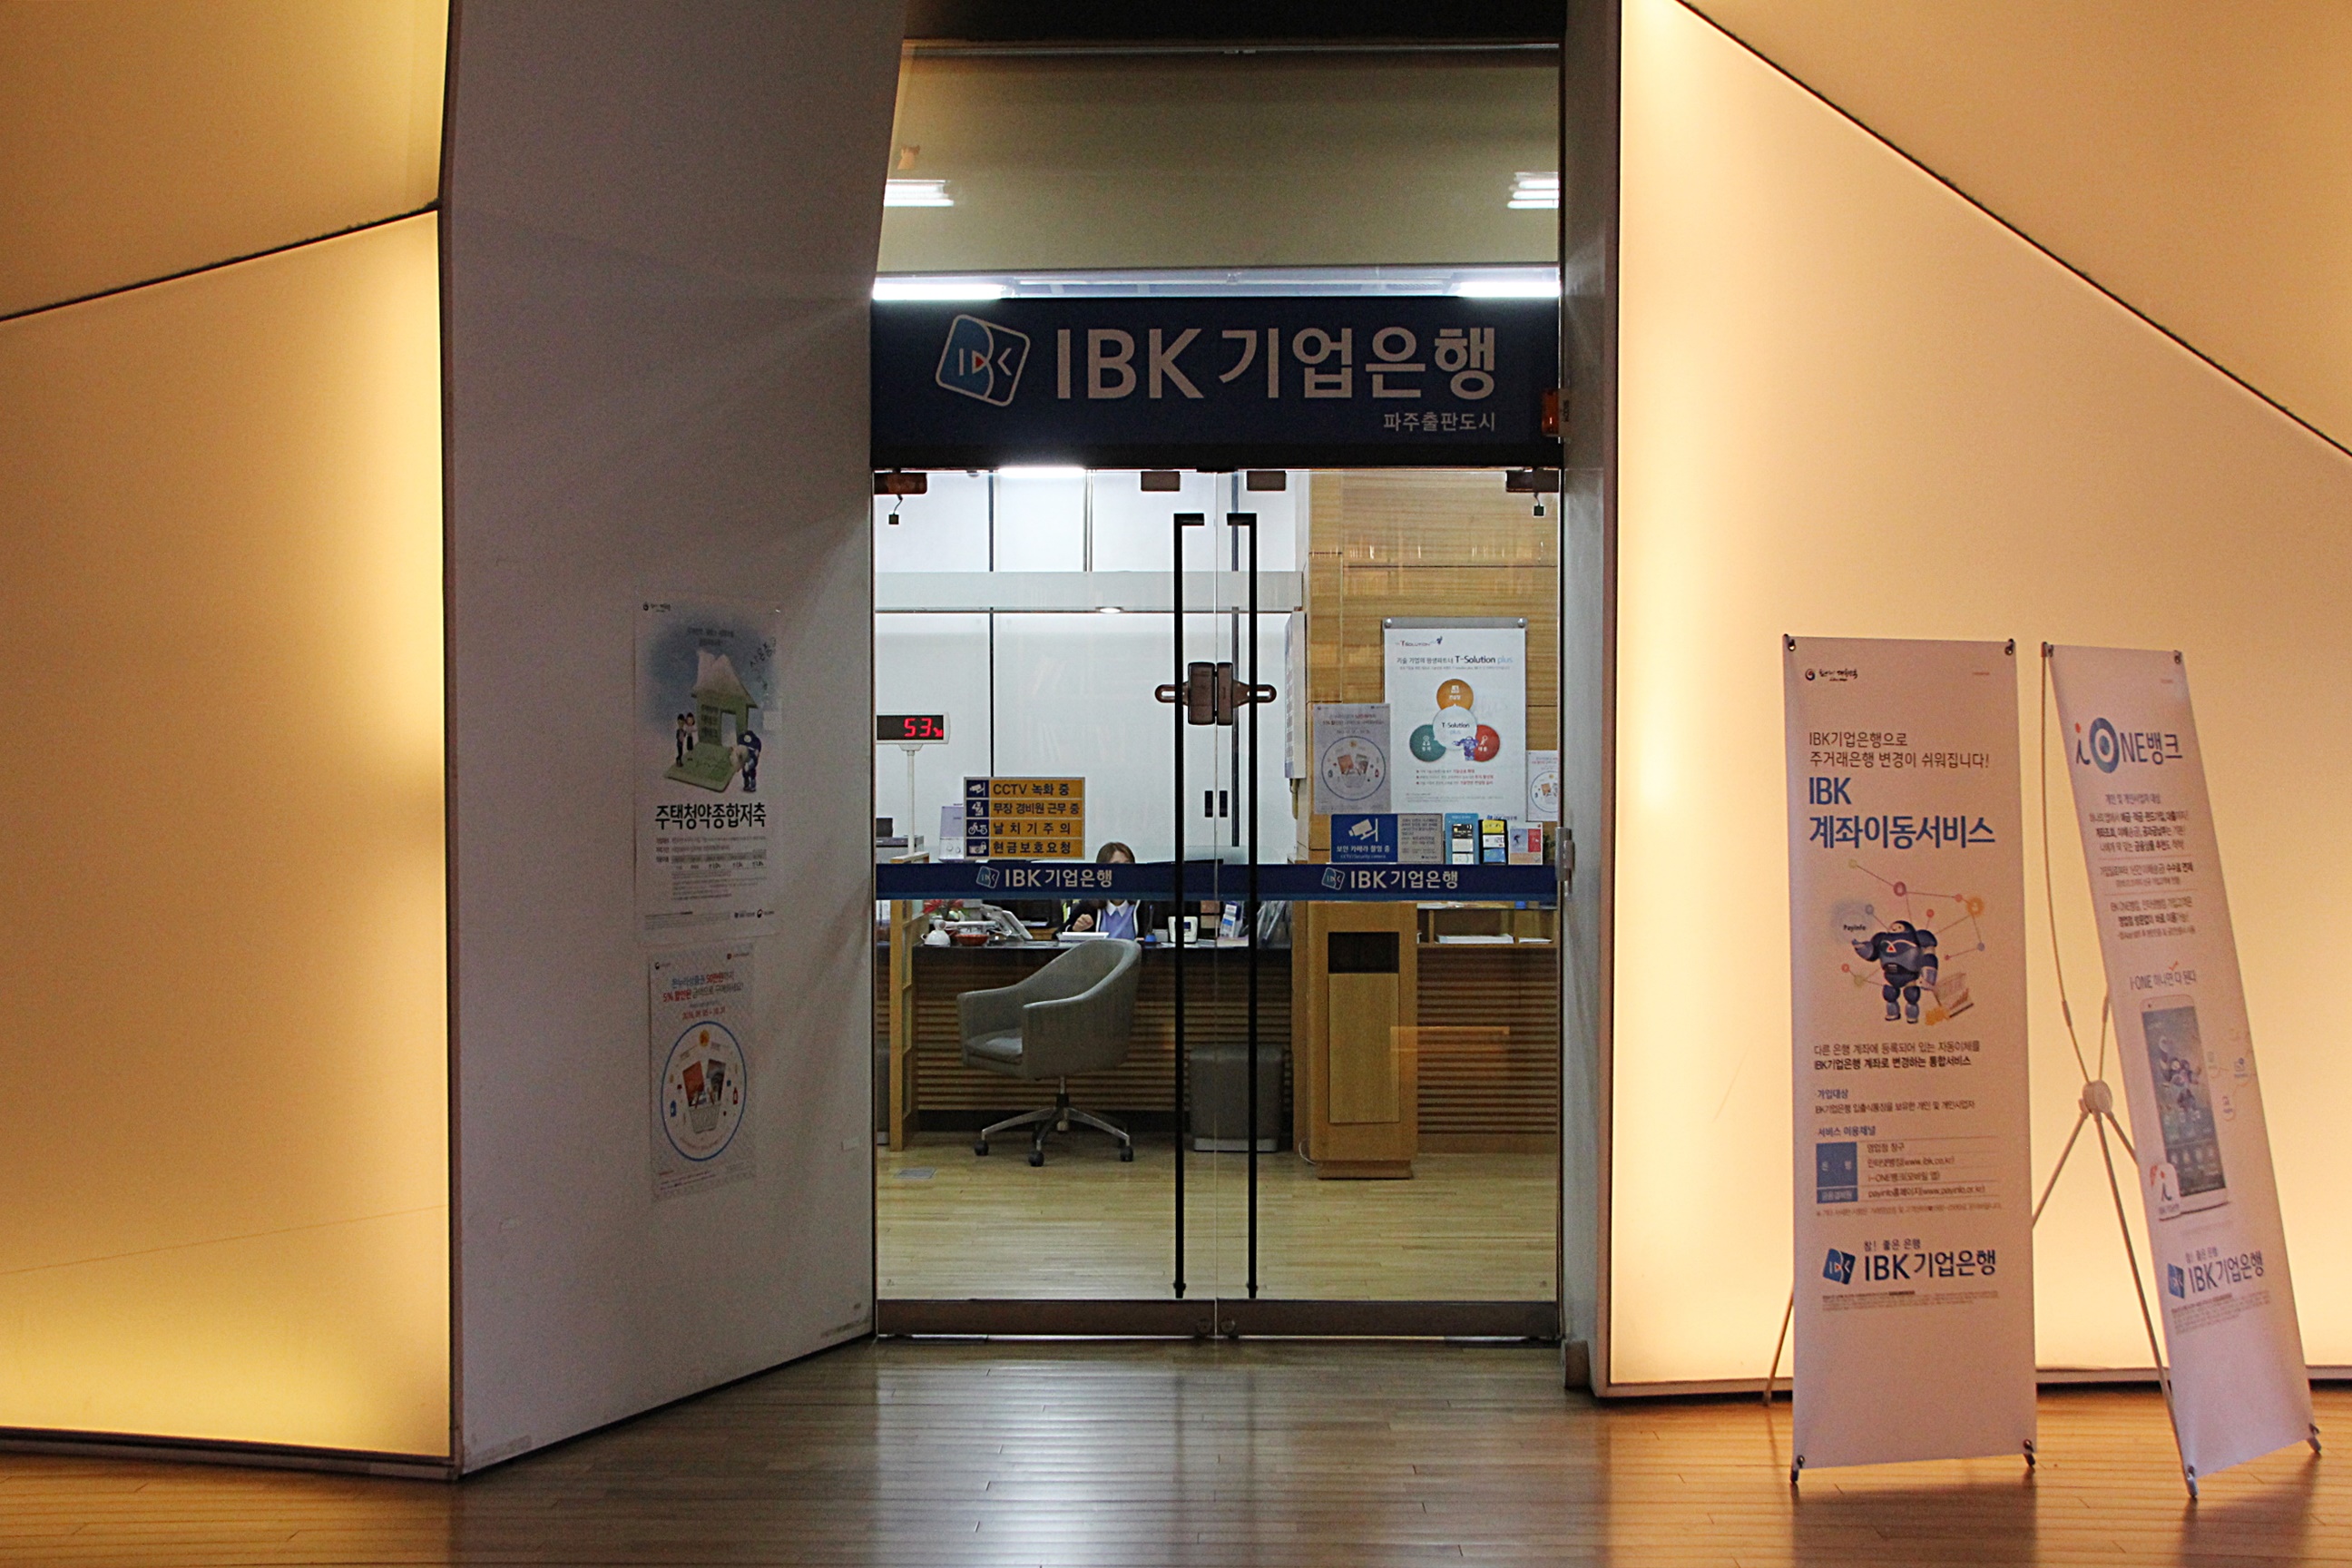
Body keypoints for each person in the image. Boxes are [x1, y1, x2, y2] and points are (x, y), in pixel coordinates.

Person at [1066, 841, 1162, 938]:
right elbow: (1060, 934)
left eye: (1127, 865)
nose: (1123, 871)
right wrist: (1075, 929)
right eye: (1116, 866)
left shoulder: (1146, 905)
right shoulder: (1089, 906)